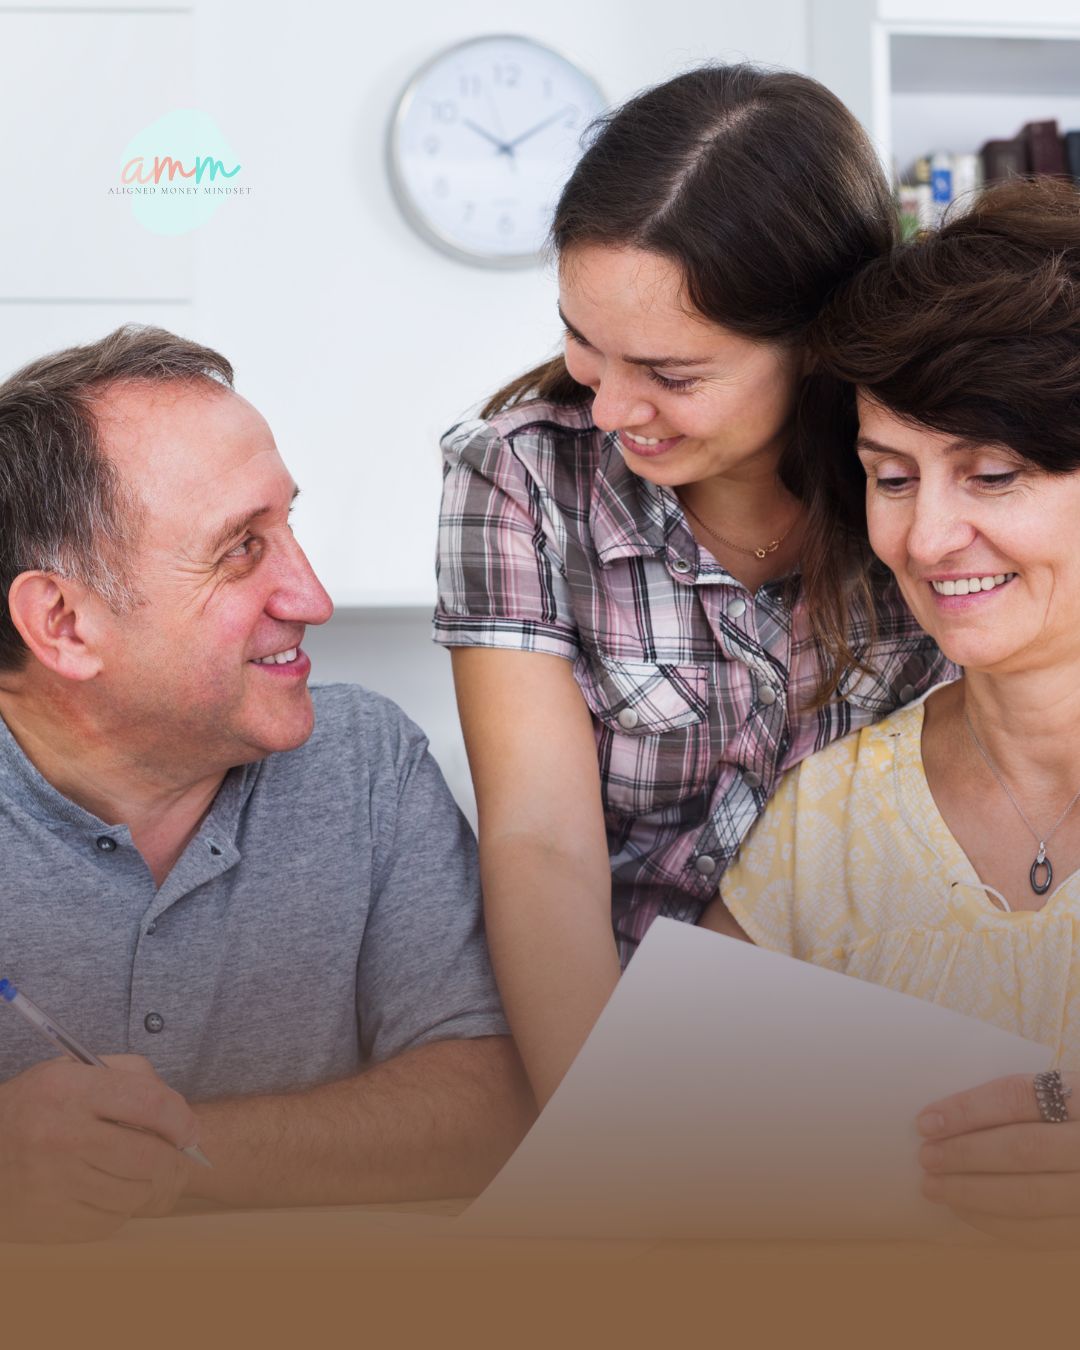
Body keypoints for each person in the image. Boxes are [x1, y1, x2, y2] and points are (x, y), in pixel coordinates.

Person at [435, 63, 952, 1104]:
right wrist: (606, 1130)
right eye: (584, 341)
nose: (617, 409)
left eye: (673, 374)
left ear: (815, 347)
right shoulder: (523, 474)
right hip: (593, 1028)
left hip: (886, 1044)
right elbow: (541, 844)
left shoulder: (927, 495)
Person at [0, 326, 533, 1243]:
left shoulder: (367, 761)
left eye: (287, 523)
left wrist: (165, 1153)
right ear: (64, 622)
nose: (312, 595)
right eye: (241, 549)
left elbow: (486, 1105)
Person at [702, 178, 1080, 1244]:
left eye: (993, 474)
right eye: (894, 477)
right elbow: (667, 1149)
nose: (927, 538)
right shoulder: (828, 818)